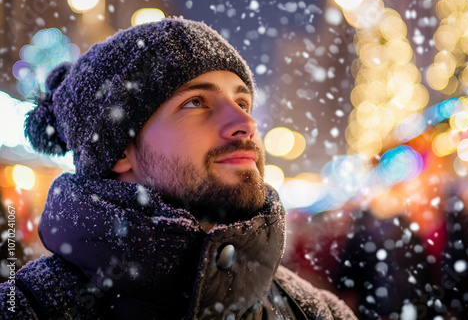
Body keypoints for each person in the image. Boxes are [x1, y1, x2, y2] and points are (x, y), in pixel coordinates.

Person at [0, 17, 357, 319]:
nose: (245, 122)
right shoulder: (24, 309)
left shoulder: (316, 311)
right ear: (120, 150)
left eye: (242, 100)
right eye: (196, 101)